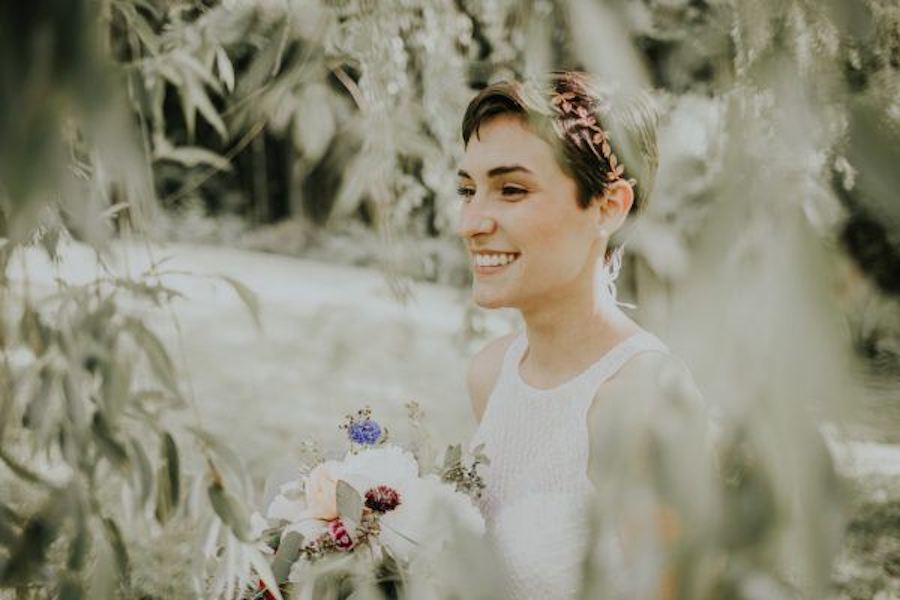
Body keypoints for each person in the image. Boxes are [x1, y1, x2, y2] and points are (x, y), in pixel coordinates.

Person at [460, 72, 708, 599]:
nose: (472, 221)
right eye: (468, 190)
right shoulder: (489, 373)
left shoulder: (648, 402)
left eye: (511, 190)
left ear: (608, 207)